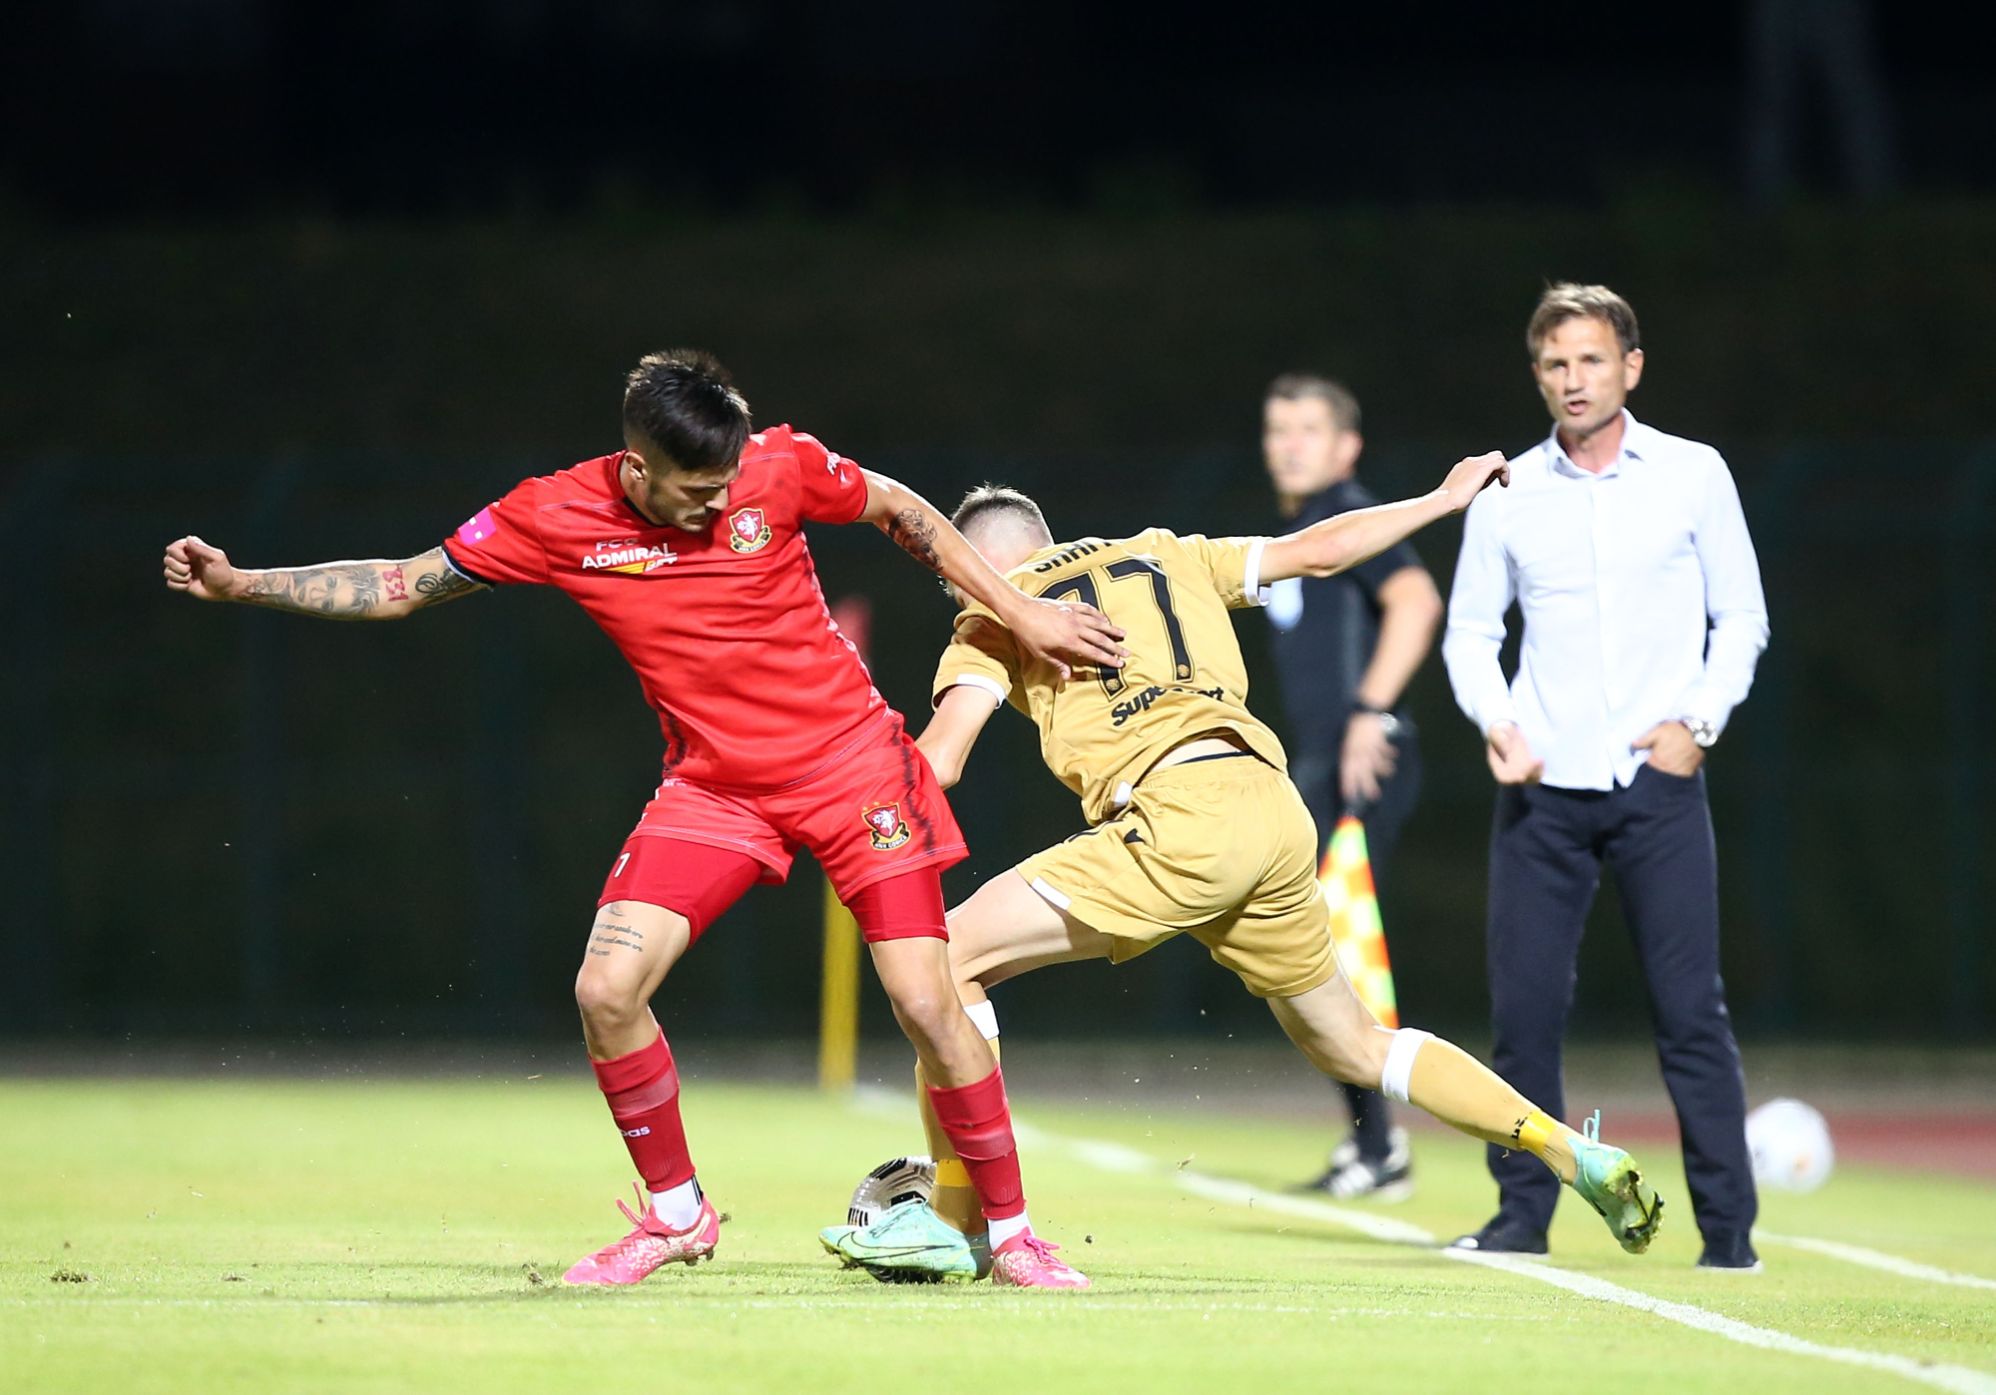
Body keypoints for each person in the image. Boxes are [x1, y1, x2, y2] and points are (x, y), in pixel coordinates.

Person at [160, 349, 1127, 1289]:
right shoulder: (555, 513)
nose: (719, 503)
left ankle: (1014, 1236)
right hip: (715, 788)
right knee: (604, 989)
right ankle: (676, 1214)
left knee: (926, 1002)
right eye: (695, 489)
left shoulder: (776, 463)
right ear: (635, 469)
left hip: (856, 770)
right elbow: (406, 583)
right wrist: (243, 583)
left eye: (727, 481)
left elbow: (900, 508)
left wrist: (1019, 612)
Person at [821, 457, 1666, 1285]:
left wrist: (822, 790)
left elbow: (941, 761)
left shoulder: (991, 614)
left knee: (946, 953)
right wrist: (1439, 500)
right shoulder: (1167, 550)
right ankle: (1559, 1141)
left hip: (1174, 816)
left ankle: (961, 1218)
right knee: (1354, 1040)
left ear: (971, 569)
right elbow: (1321, 549)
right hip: (1271, 805)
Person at [1441, 284, 1770, 1268]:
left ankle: (1727, 1239)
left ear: (1630, 366)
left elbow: (1741, 619)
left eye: (1590, 360)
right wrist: (1497, 723)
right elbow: (1469, 634)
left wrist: (1698, 724)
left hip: (1656, 790)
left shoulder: (1693, 474)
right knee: (1524, 1016)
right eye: (1553, 364)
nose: (1571, 380)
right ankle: (1518, 1222)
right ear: (1536, 376)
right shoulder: (1507, 491)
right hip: (1541, 795)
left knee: (1688, 1016)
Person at [1261, 374, 1445, 1199]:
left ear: (1346, 446)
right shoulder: (1299, 532)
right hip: (1319, 763)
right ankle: (1371, 1139)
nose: (1290, 443)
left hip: (1364, 759)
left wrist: (1372, 710)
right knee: (1315, 947)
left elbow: (1415, 599)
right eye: (1278, 429)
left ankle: (1381, 1146)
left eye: (1308, 428)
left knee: (1335, 946)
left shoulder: (1351, 516)